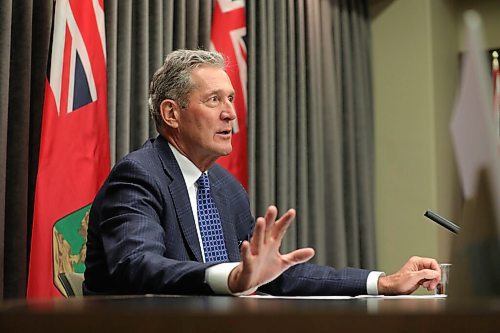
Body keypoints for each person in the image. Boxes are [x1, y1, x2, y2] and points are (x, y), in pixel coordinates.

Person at [84, 49, 441, 296]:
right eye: (214, 100)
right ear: (171, 114)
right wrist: (233, 277)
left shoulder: (226, 188)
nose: (230, 114)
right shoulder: (139, 175)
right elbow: (137, 266)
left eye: (231, 99)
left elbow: (273, 277)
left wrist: (384, 282)